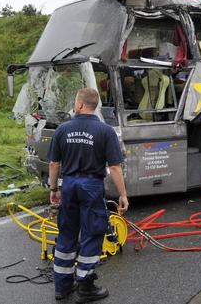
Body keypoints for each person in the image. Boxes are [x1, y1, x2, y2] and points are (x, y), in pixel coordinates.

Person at [48, 88, 129, 302]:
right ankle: (85, 284)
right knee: (92, 232)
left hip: (69, 184)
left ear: (81, 105)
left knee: (67, 232)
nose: (74, 106)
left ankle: (62, 287)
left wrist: (53, 189)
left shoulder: (62, 129)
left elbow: (54, 163)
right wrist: (123, 195)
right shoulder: (105, 131)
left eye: (75, 102)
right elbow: (115, 167)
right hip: (91, 186)